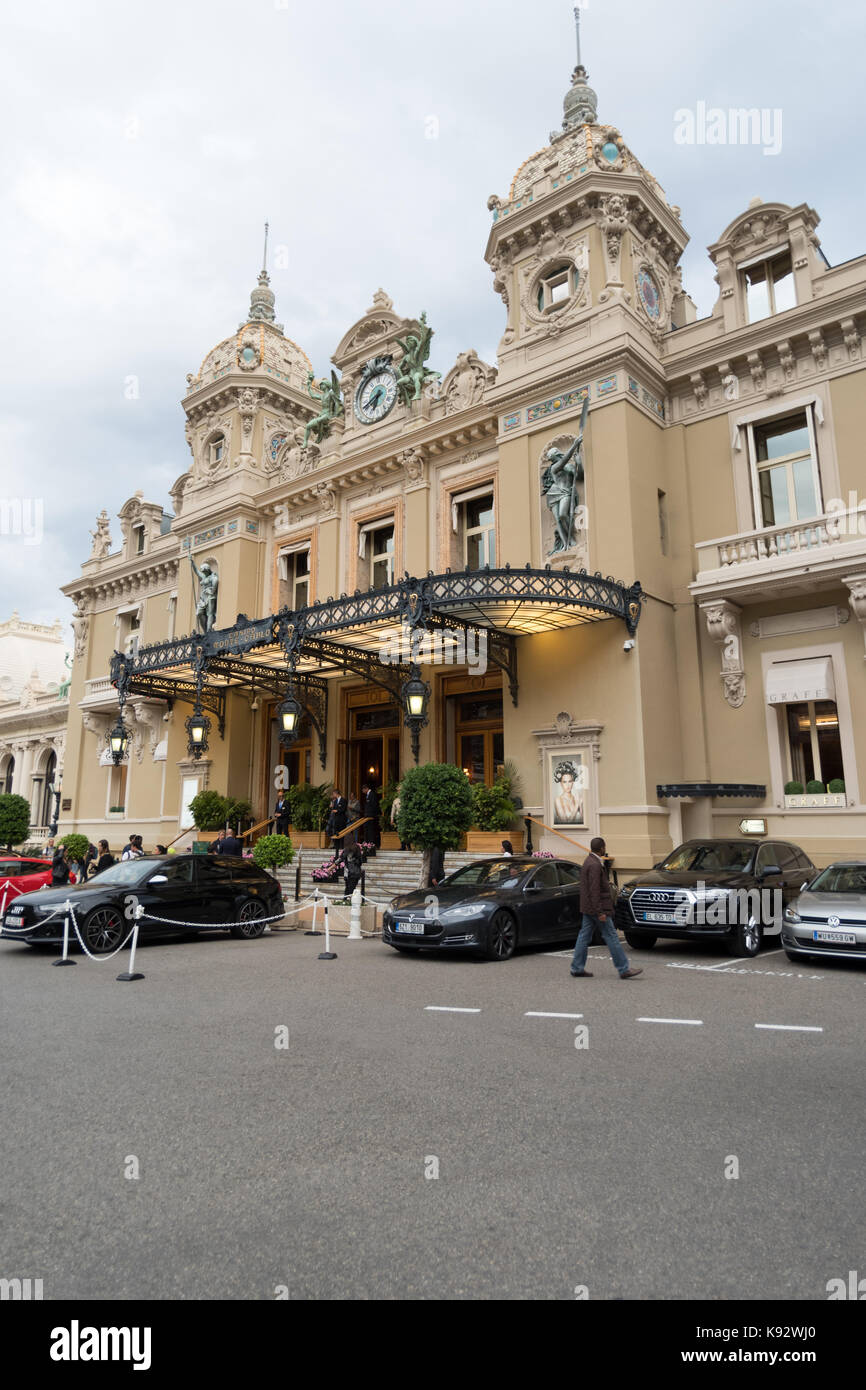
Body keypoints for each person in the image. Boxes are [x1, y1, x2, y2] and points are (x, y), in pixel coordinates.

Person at [571, 837, 642, 980]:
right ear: (602, 848)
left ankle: (577, 967)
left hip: (588, 908)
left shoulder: (588, 861)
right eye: (604, 847)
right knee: (612, 937)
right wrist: (600, 912)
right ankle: (623, 969)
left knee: (584, 936)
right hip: (597, 909)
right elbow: (594, 890)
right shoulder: (595, 865)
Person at [362, 782, 381, 848]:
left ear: (366, 789)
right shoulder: (368, 795)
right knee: (367, 831)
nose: (363, 791)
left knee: (371, 831)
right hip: (367, 816)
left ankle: (371, 844)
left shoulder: (372, 794)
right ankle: (367, 844)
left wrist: (371, 815)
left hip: (371, 817)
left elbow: (374, 805)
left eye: (363, 790)